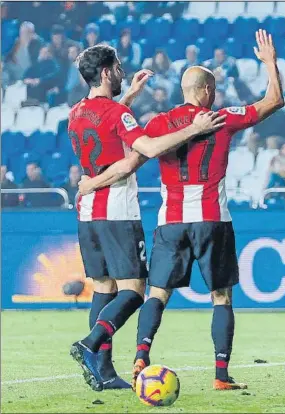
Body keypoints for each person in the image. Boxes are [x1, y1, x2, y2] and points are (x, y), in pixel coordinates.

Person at [77, 30, 285, 391]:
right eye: (213, 89)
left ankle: (140, 356)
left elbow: (131, 160)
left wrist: (90, 182)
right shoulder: (222, 118)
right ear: (206, 92)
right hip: (211, 219)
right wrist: (269, 63)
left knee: (157, 293)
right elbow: (273, 102)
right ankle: (221, 375)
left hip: (169, 222)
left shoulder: (157, 123)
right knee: (220, 296)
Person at [67, 44, 227, 392]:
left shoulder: (77, 111)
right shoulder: (116, 114)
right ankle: (90, 343)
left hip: (88, 210)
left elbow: (105, 125)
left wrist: (132, 97)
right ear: (107, 72)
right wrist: (195, 128)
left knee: (104, 288)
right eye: (119, 67)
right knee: (135, 292)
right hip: (117, 210)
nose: (123, 72)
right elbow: (151, 149)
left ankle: (103, 372)